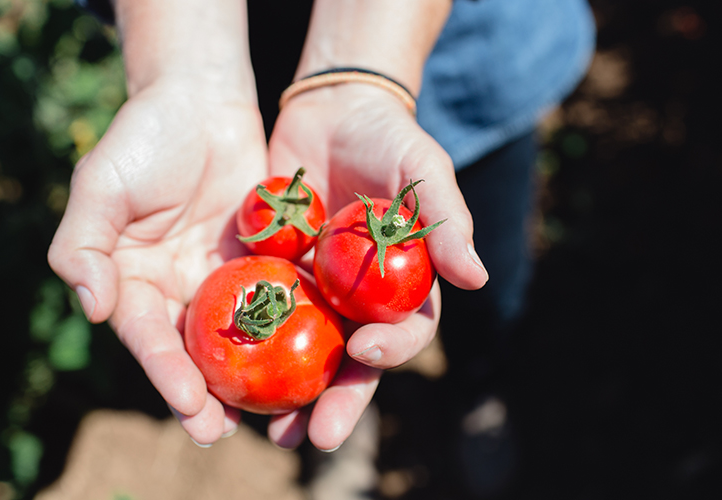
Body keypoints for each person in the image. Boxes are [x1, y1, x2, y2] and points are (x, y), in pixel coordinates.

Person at [51, 0, 594, 468]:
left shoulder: (354, 234)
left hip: (473, 64)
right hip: (249, 55)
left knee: (489, 267)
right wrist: (185, 73)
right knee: (354, 357)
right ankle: (348, 435)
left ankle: (481, 386)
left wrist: (360, 74)